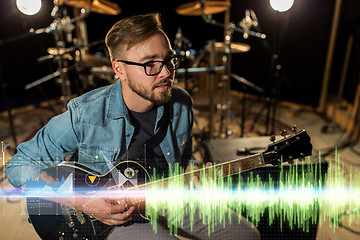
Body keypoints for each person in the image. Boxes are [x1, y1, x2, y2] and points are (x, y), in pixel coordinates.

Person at [6, 13, 260, 239]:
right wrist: (84, 202)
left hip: (167, 196)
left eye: (169, 59)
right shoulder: (85, 113)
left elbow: (183, 160)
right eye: (150, 63)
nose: (166, 73)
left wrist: (195, 174)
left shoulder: (181, 103)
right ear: (120, 69)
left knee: (246, 234)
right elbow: (19, 166)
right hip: (108, 217)